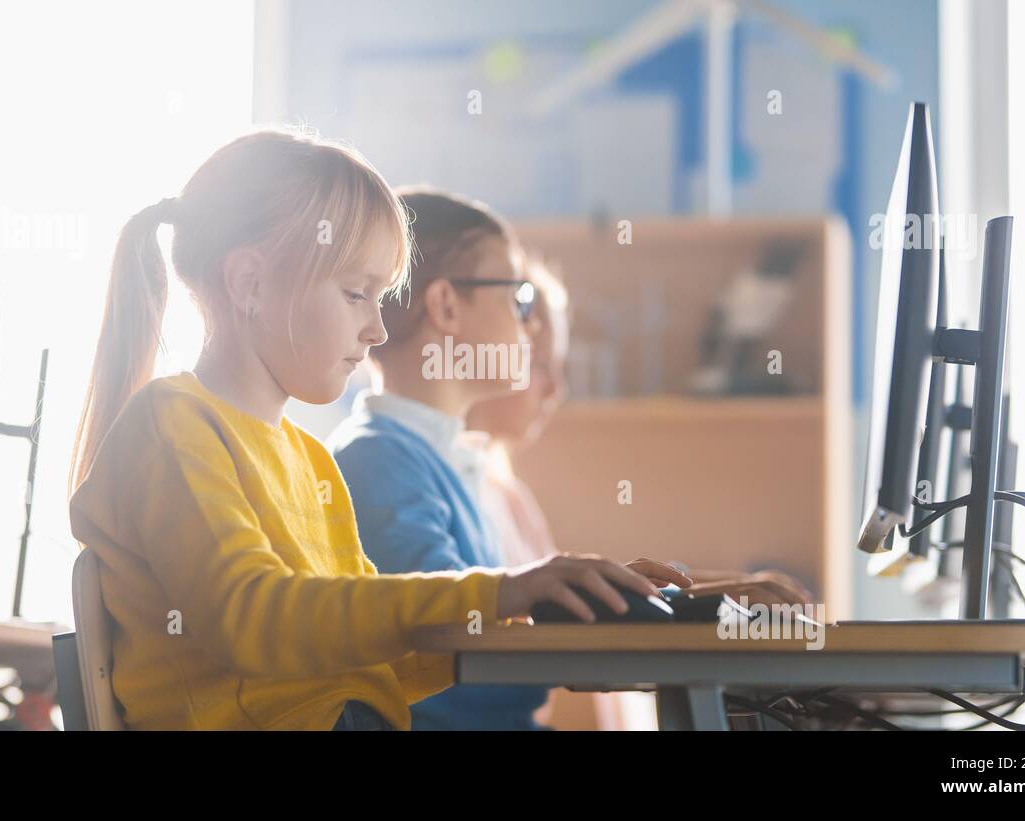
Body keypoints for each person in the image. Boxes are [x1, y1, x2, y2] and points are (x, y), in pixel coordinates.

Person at [67, 129, 667, 731]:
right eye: (356, 294)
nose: (378, 330)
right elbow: (254, 618)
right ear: (250, 283)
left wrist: (548, 608)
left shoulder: (309, 460)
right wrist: (498, 592)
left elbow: (377, 656)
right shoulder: (174, 427)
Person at [328, 187, 691, 730]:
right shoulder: (379, 460)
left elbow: (477, 619)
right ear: (446, 305)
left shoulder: (443, 461)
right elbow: (446, 646)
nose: (533, 324)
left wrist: (616, 597)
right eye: (518, 297)